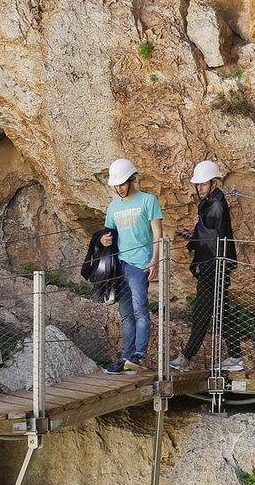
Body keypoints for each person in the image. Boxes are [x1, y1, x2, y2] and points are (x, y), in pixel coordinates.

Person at [172, 160, 244, 373]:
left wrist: (194, 238)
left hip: (214, 266)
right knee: (217, 311)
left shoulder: (216, 204)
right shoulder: (213, 202)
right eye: (198, 184)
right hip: (214, 266)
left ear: (213, 183)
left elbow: (209, 234)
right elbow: (207, 230)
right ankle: (233, 356)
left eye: (203, 184)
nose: (199, 188)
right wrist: (194, 235)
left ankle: (187, 358)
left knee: (207, 312)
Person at [103, 158, 165, 372]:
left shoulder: (149, 201)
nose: (119, 188)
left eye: (122, 183)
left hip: (140, 264)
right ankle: (127, 359)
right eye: (116, 185)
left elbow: (158, 232)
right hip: (120, 265)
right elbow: (108, 234)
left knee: (140, 311)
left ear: (131, 180)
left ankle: (139, 355)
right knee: (126, 315)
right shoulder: (113, 207)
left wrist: (154, 260)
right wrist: (103, 240)